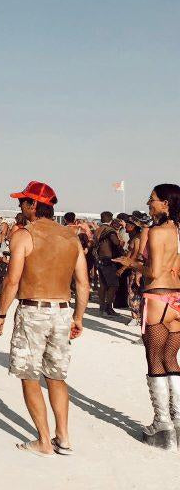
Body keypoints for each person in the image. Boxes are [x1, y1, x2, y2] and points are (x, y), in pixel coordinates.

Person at [0, 181, 89, 457]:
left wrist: (0, 314)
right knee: (56, 377)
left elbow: (12, 280)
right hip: (62, 310)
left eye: (22, 202)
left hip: (33, 310)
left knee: (29, 376)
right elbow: (83, 284)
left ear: (33, 205)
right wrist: (78, 317)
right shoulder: (71, 237)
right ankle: (64, 438)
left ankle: (44, 441)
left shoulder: (24, 235)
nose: (19, 206)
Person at [113, 184, 180, 449]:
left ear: (165, 203)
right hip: (178, 300)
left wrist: (132, 264)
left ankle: (162, 425)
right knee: (171, 358)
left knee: (154, 359)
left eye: (152, 200)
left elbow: (153, 272)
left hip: (157, 299)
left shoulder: (156, 232)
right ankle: (178, 421)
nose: (148, 204)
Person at [92, 210, 126, 317]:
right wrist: (121, 242)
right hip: (108, 259)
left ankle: (102, 307)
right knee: (113, 285)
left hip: (99, 259)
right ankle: (109, 308)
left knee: (102, 284)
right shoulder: (110, 230)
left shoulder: (97, 230)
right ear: (111, 219)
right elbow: (116, 243)